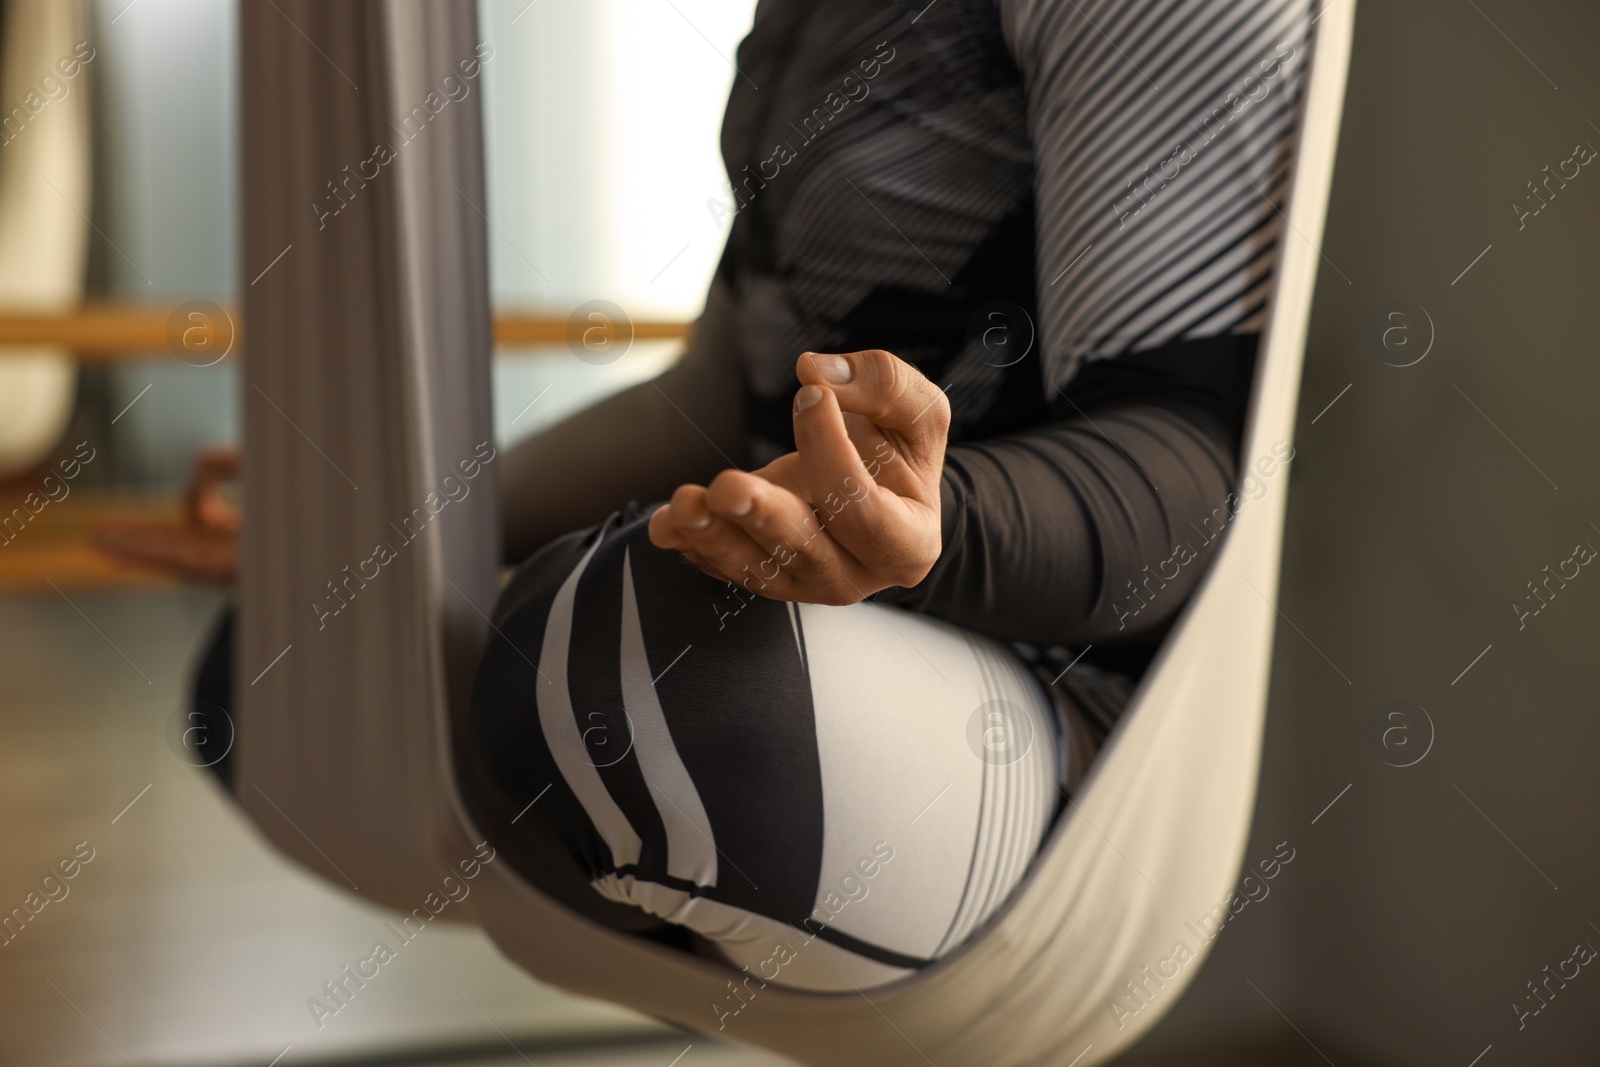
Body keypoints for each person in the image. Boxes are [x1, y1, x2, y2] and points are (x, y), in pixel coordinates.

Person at [97, 0, 1311, 993]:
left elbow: (1193, 459)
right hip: (798, 647)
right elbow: (709, 395)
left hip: (1059, 690)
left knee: (614, 667)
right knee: (283, 663)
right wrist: (377, 535)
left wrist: (946, 528)